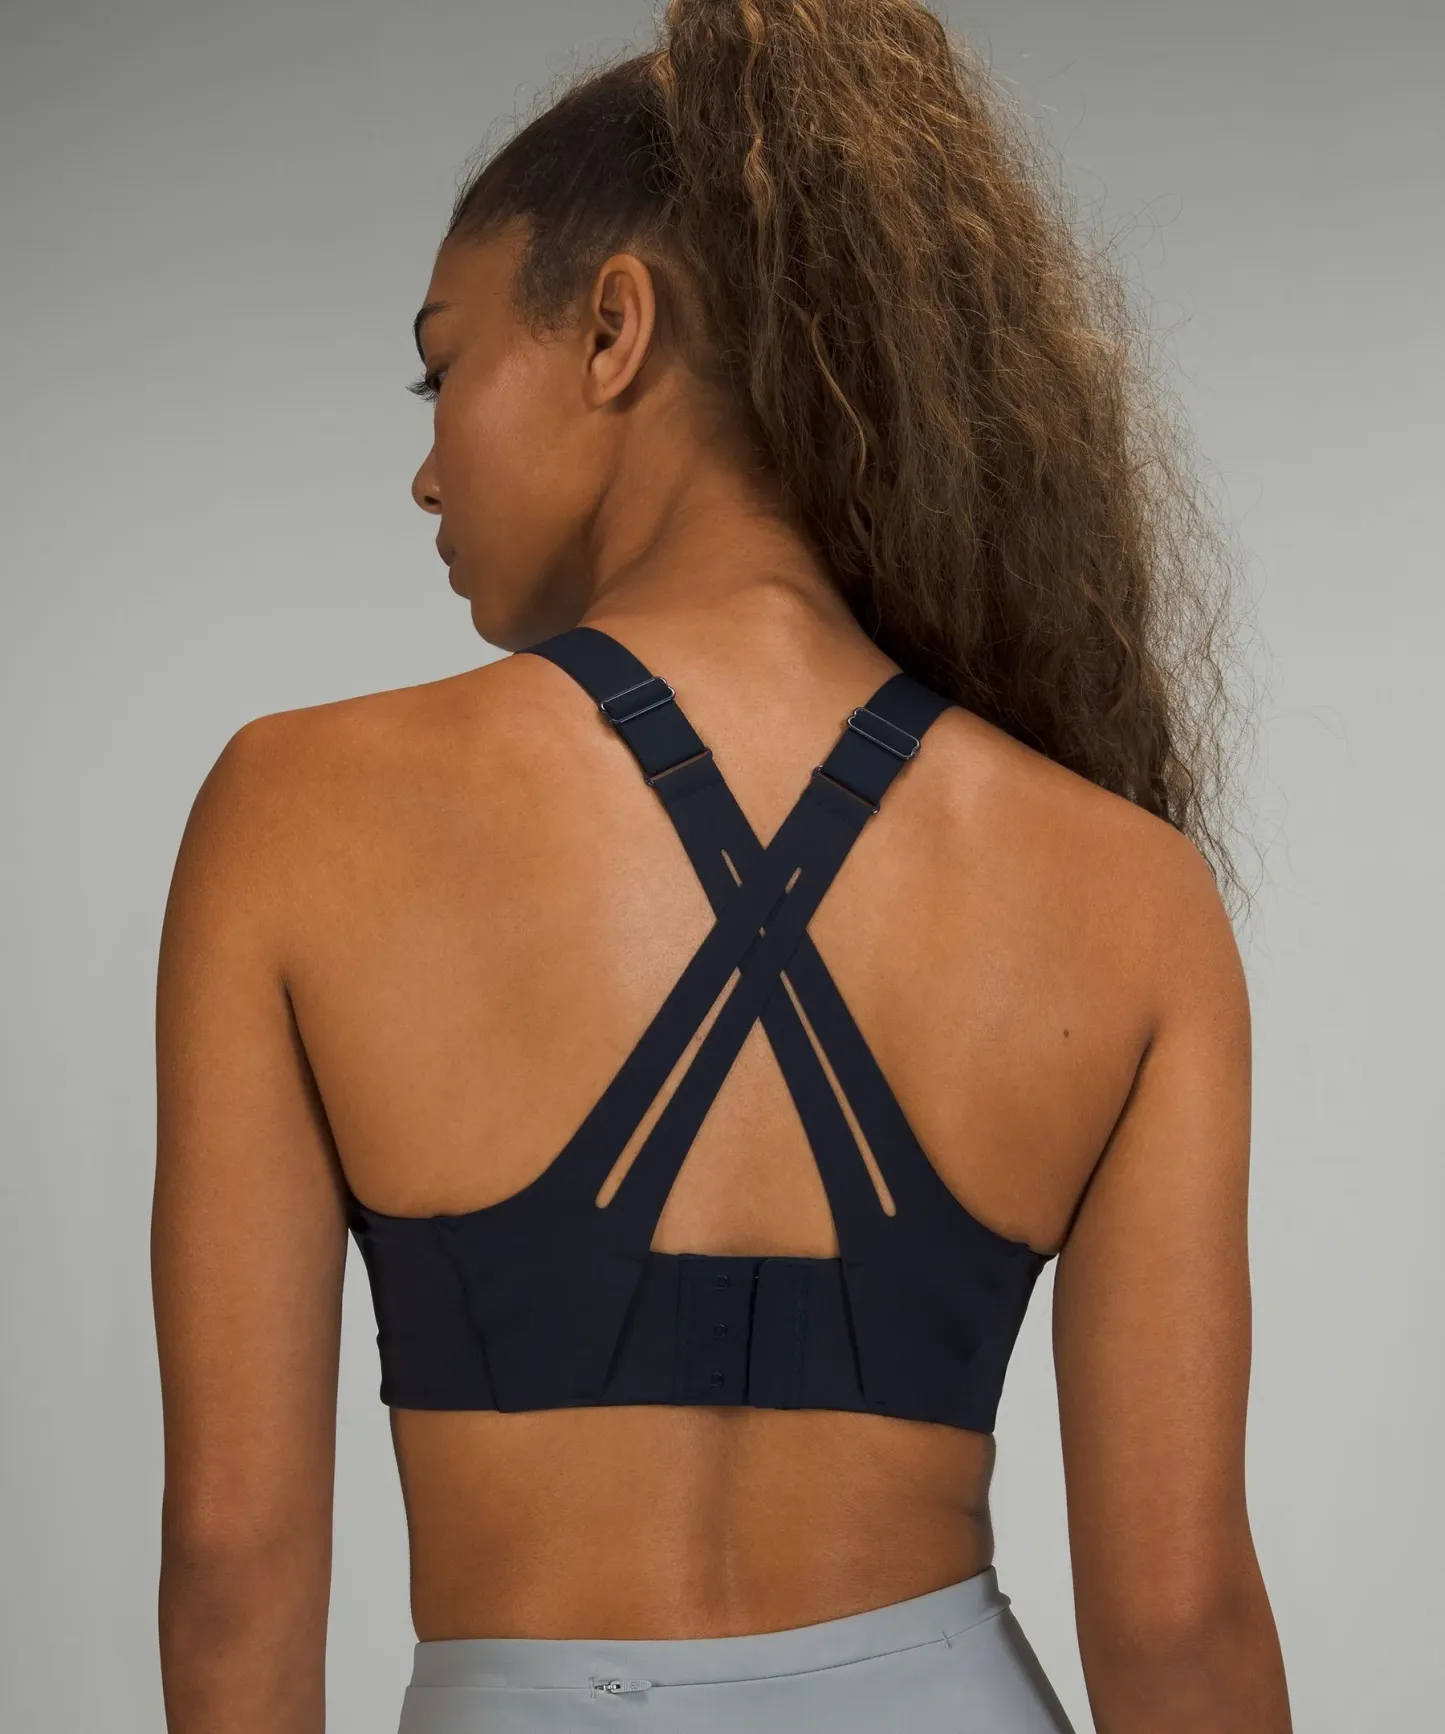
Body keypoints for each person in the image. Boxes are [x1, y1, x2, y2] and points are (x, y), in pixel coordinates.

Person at [150, 2, 1292, 1730]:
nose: (428, 468)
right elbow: (1184, 1625)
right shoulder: (1131, 892)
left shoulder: (294, 812)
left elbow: (233, 1567)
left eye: (443, 369)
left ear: (614, 329)